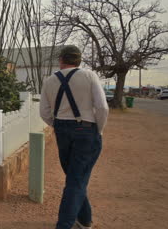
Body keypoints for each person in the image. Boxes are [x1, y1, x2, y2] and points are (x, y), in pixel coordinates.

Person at [40, 45, 109, 229]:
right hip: (86, 130)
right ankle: (64, 225)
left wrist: (58, 125)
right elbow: (102, 107)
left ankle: (85, 221)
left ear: (61, 60)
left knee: (75, 178)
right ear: (79, 60)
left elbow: (44, 113)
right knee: (76, 180)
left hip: (62, 130)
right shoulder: (89, 76)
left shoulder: (49, 81)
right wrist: (98, 130)